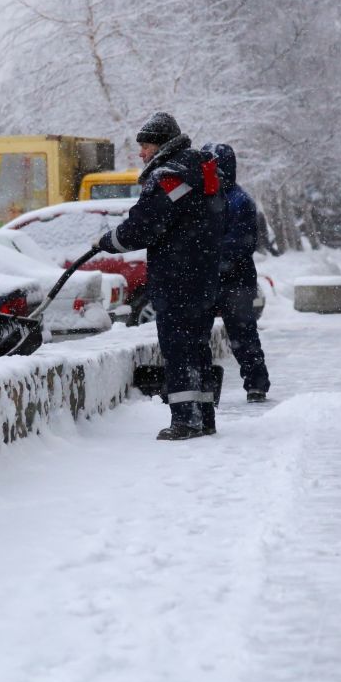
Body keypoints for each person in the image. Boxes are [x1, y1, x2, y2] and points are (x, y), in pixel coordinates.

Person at [95, 112, 225, 440]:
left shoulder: (170, 176)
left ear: (163, 145)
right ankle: (203, 416)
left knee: (179, 346)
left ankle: (185, 420)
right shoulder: (202, 171)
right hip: (203, 272)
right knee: (196, 344)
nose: (141, 153)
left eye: (146, 145)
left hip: (178, 275)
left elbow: (144, 225)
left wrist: (109, 241)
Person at [202, 143, 270, 403]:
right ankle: (205, 385)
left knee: (242, 333)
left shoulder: (240, 201)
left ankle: (256, 384)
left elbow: (242, 243)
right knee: (200, 335)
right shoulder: (206, 198)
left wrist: (210, 257)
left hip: (235, 280)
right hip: (212, 278)